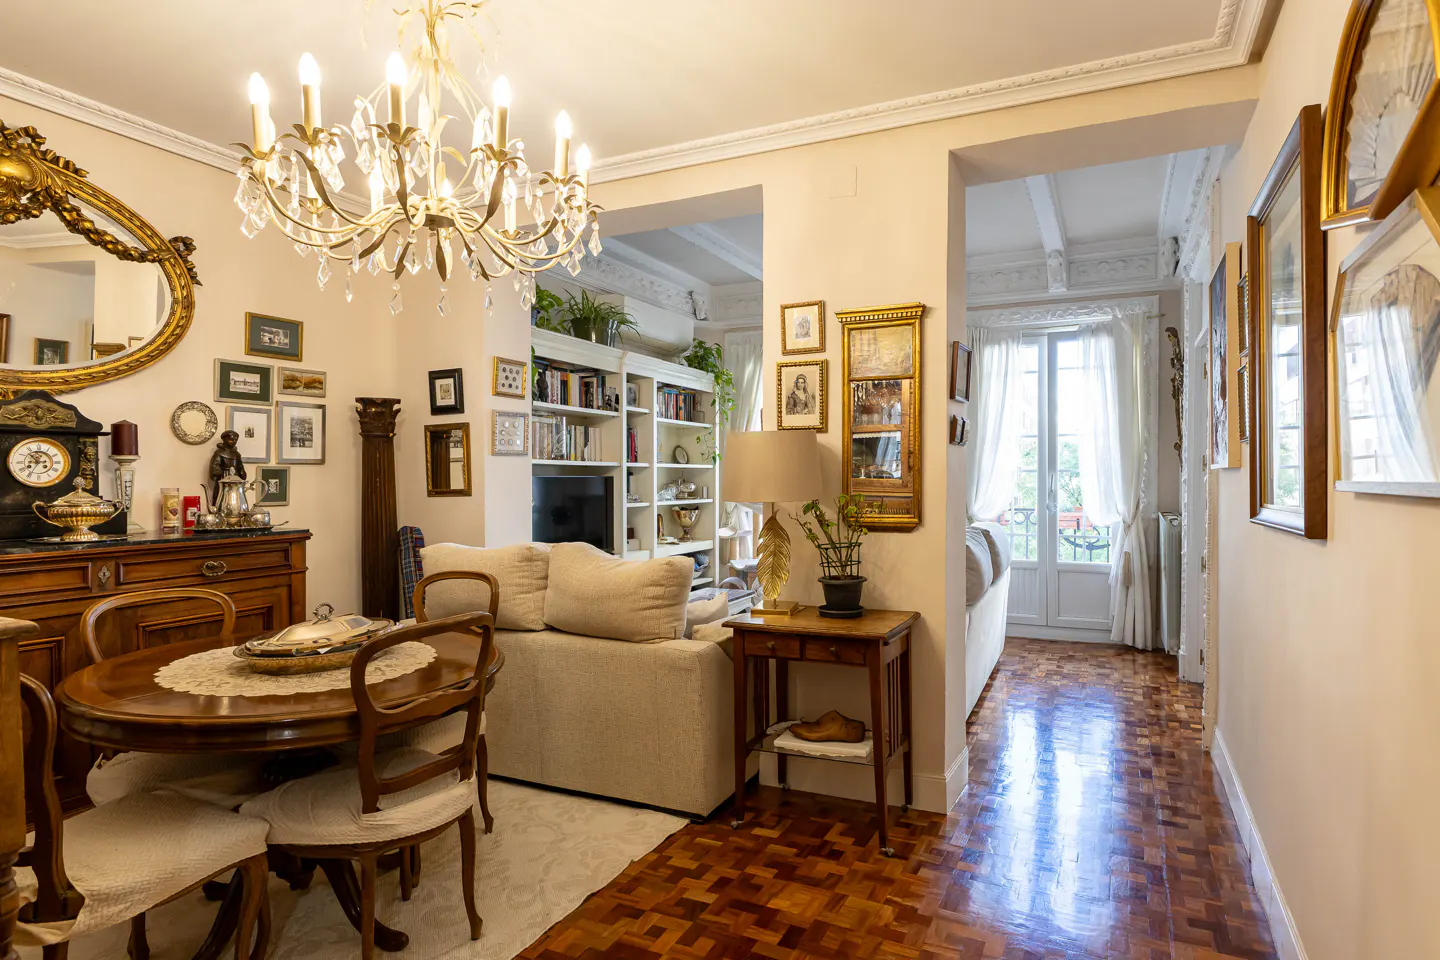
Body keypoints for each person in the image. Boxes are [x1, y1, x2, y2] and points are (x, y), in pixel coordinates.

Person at [208, 430, 248, 507]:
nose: (234, 442)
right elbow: (215, 466)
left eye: (236, 440)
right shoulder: (219, 453)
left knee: (236, 500)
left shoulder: (237, 454)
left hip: (235, 480)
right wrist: (218, 471)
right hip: (223, 478)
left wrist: (242, 472)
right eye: (231, 439)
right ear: (224, 439)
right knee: (222, 499)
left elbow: (240, 466)